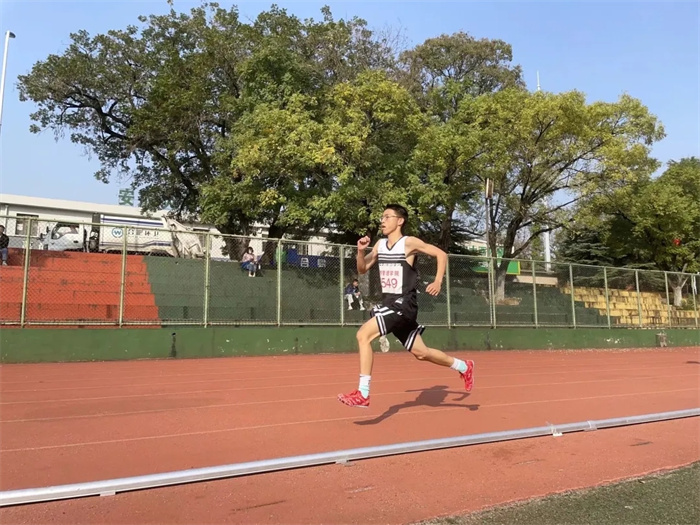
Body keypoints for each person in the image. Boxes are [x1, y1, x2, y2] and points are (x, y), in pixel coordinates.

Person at [338, 204, 474, 408]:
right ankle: (463, 366)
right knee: (421, 353)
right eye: (382, 217)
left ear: (400, 221)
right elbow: (363, 268)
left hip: (403, 305)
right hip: (390, 304)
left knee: (363, 335)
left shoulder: (409, 243)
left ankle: (363, 393)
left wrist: (437, 281)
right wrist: (360, 251)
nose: (382, 221)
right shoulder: (380, 245)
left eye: (387, 217)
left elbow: (441, 255)